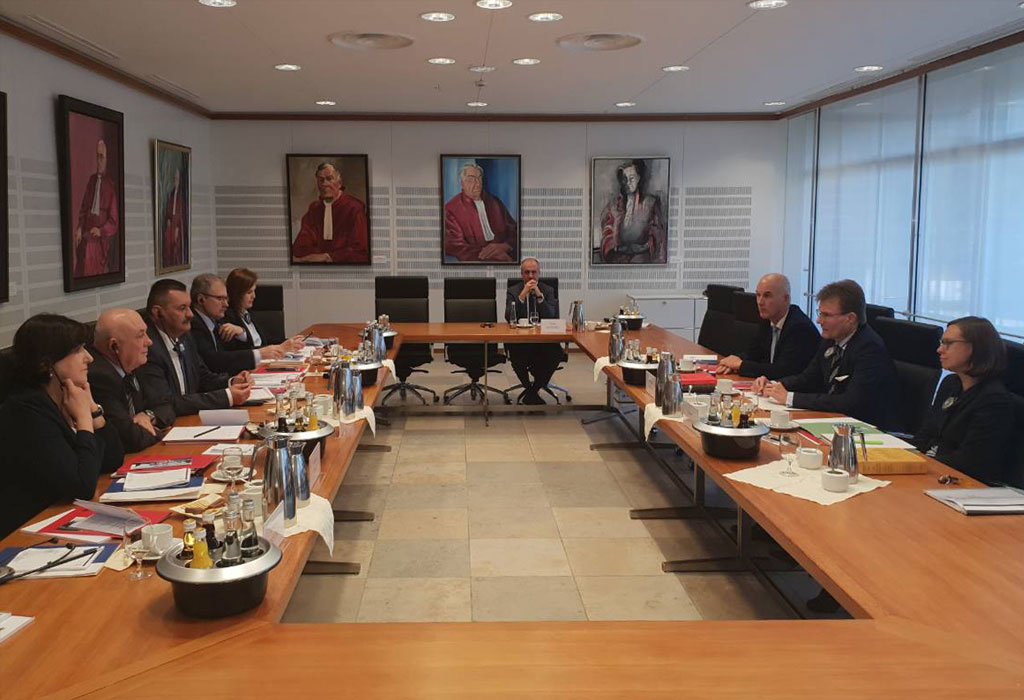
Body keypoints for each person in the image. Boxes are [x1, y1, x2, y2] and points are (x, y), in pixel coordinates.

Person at [0, 314, 123, 538]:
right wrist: (84, 420)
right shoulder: (25, 412)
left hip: (57, 519)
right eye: (77, 350)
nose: (89, 358)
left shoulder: (65, 397)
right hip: (23, 534)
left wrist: (93, 410)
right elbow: (82, 486)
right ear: (46, 364)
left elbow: (113, 460)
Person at [753, 279, 898, 430]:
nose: (819, 320)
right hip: (836, 422)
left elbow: (850, 402)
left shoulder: (869, 348)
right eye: (820, 313)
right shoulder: (830, 339)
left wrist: (790, 398)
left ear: (850, 318)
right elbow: (808, 378)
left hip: (869, 430)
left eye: (826, 315)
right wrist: (774, 385)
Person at [913, 316, 1014, 484]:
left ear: (975, 348)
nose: (939, 350)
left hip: (962, 483)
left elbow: (970, 462)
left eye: (948, 343)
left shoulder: (994, 400)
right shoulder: (950, 383)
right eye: (941, 342)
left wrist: (920, 464)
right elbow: (924, 435)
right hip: (932, 471)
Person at [138, 279, 253, 416]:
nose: (190, 314)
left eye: (189, 307)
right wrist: (227, 396)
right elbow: (165, 403)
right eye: (182, 308)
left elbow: (203, 378)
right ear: (158, 313)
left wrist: (232, 381)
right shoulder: (147, 348)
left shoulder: (184, 336)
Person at [87, 309, 173, 453]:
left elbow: (166, 405)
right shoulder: (99, 377)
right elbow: (131, 438)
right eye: (140, 335)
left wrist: (148, 416)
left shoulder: (132, 361)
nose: (149, 341)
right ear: (114, 346)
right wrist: (158, 432)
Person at [716, 273, 820, 379]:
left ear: (785, 299)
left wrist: (740, 365)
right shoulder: (767, 320)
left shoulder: (800, 328)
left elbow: (783, 371)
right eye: (758, 295)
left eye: (767, 296)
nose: (760, 302)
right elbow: (753, 354)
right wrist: (734, 359)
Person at [504, 257, 562, 405]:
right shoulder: (513, 291)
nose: (530, 276)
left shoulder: (547, 290)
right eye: (527, 272)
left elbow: (551, 316)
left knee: (556, 354)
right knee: (516, 354)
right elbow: (509, 317)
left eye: (534, 272)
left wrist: (539, 296)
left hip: (544, 341)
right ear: (521, 274)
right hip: (521, 340)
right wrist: (522, 295)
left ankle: (532, 391)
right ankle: (531, 390)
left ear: (539, 273)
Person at [290, 163, 369, 264]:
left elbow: (361, 250)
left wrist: (328, 257)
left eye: (329, 178)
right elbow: (300, 245)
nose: (324, 184)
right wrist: (320, 257)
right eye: (321, 180)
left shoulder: (355, 208)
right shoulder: (314, 209)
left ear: (339, 183)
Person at [443, 162, 518, 263]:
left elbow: (514, 230)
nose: (478, 184)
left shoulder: (494, 201)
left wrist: (506, 246)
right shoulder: (451, 209)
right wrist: (493, 255)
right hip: (479, 260)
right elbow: (455, 246)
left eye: (479, 178)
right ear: (462, 184)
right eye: (471, 179)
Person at [189, 273, 261, 375]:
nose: (226, 304)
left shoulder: (217, 321)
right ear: (201, 299)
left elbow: (231, 352)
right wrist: (258, 354)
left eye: (226, 299)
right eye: (220, 299)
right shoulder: (192, 325)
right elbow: (213, 361)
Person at [223, 268, 304, 356]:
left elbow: (265, 340)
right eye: (249, 292)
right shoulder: (228, 316)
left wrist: (289, 341)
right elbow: (240, 352)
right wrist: (243, 333)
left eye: (254, 291)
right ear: (237, 293)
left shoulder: (247, 313)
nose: (254, 296)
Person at [598, 159, 666, 264]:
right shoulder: (614, 206)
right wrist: (616, 247)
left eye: (631, 178)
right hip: (618, 258)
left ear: (638, 178)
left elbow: (658, 235)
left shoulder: (650, 203)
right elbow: (607, 232)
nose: (627, 183)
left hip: (642, 258)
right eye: (624, 179)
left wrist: (645, 246)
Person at [73, 139, 119, 277]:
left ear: (107, 159)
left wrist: (101, 231)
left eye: (102, 157)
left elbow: (114, 221)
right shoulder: (91, 180)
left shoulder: (111, 186)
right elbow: (84, 209)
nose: (99, 161)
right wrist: (79, 228)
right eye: (97, 156)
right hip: (88, 232)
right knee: (80, 247)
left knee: (90, 252)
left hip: (101, 239)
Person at [161, 168, 185, 268]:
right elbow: (169, 209)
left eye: (177, 178)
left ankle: (175, 262)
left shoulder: (181, 195)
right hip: (171, 223)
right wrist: (168, 220)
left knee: (176, 245)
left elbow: (181, 213)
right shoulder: (172, 193)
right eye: (174, 178)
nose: (175, 180)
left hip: (177, 224)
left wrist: (177, 227)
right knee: (167, 243)